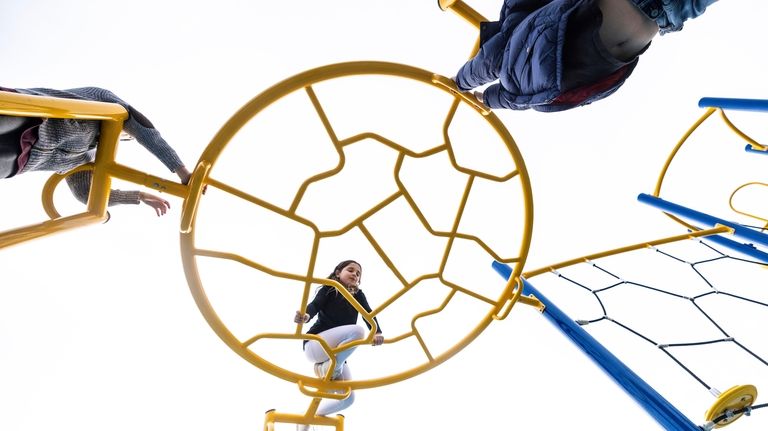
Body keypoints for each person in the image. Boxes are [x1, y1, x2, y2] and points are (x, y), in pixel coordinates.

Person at [450, 0, 720, 112]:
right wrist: (459, 83)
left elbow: (499, 87)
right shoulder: (515, 66)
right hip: (664, 15)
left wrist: (466, 90)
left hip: (655, 19)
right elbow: (486, 67)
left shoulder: (521, 80)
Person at [0, 86, 192, 216]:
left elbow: (87, 194)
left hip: (19, 159)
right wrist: (181, 170)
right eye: (130, 134)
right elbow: (145, 131)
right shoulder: (103, 103)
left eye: (128, 138)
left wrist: (138, 196)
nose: (127, 135)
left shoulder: (86, 157)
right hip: (28, 114)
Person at [293, 260, 384, 429]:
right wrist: (305, 316)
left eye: (358, 274)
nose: (355, 275)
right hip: (316, 344)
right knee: (358, 332)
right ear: (337, 272)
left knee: (348, 398)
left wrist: (377, 331)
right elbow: (315, 305)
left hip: (337, 354)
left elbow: (368, 314)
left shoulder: (358, 295)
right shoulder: (329, 288)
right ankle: (332, 367)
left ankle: (309, 418)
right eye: (351, 270)